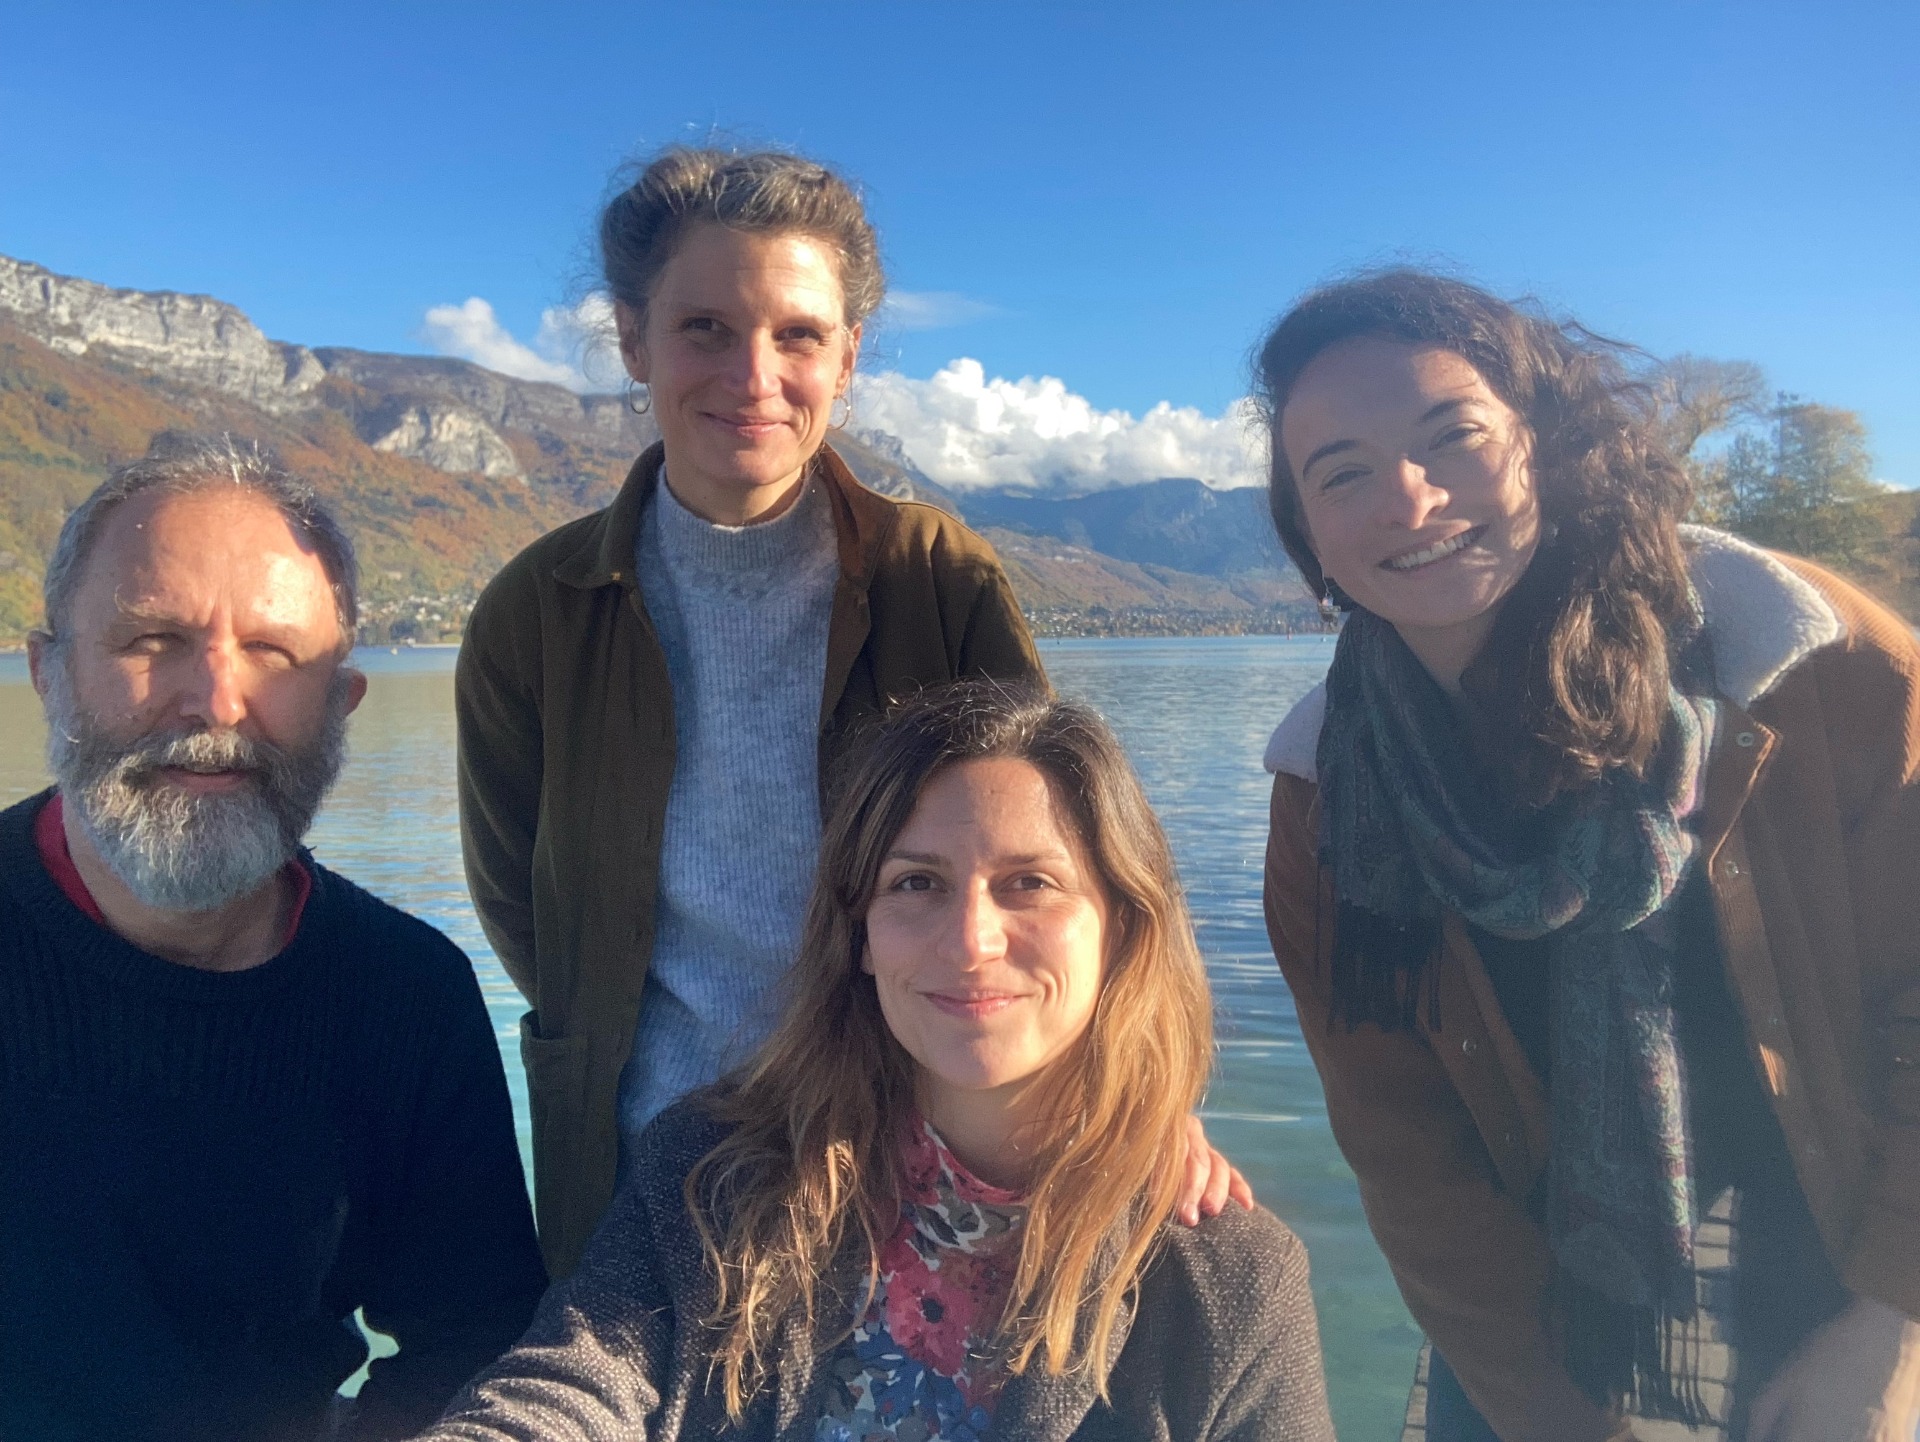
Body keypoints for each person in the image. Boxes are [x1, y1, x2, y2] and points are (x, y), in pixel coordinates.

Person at [456, 146, 1244, 1282]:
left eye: (798, 335)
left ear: (848, 356)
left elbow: (1061, 860)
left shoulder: (938, 579)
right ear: (632, 339)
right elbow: (520, 902)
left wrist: (1145, 1091)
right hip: (643, 1178)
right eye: (705, 328)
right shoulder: (537, 612)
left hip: (914, 1158)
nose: (754, 375)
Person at [1254, 270, 1920, 1442]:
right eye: (1342, 472)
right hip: (1545, 1333)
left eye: (1453, 436)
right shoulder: (1327, 794)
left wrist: (1892, 1328)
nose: (1409, 498)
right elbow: (1408, 1153)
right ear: (1306, 533)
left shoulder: (1810, 669)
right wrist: (1557, 1415)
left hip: (1856, 1275)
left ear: (1545, 444)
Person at [423, 680, 1336, 1441]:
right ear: (859, 934)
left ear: (1122, 928)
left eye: (1030, 884)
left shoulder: (1228, 1284)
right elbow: (576, 1381)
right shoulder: (711, 1178)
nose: (971, 941)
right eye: (916, 884)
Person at [3, 436, 546, 1442]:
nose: (216, 701)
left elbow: (472, 1339)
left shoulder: (404, 995)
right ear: (48, 671)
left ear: (342, 703)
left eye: (273, 653)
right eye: (152, 638)